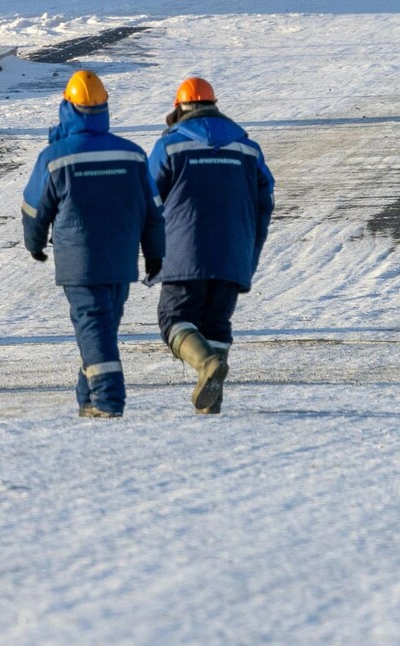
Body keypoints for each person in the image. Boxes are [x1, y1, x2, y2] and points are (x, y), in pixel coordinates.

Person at [21, 70, 165, 418]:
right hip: (120, 261)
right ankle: (87, 400)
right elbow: (152, 212)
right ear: (104, 107)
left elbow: (34, 210)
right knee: (102, 327)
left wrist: (35, 244)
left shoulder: (55, 156)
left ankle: (106, 400)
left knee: (94, 327)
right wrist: (156, 254)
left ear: (67, 106)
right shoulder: (132, 155)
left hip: (80, 263)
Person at [147, 77, 275, 414]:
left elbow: (146, 200)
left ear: (178, 109)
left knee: (174, 319)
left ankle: (206, 365)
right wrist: (249, 253)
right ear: (215, 106)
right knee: (216, 323)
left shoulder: (170, 146)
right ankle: (211, 405)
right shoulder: (247, 148)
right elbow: (265, 204)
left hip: (182, 254)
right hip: (233, 253)